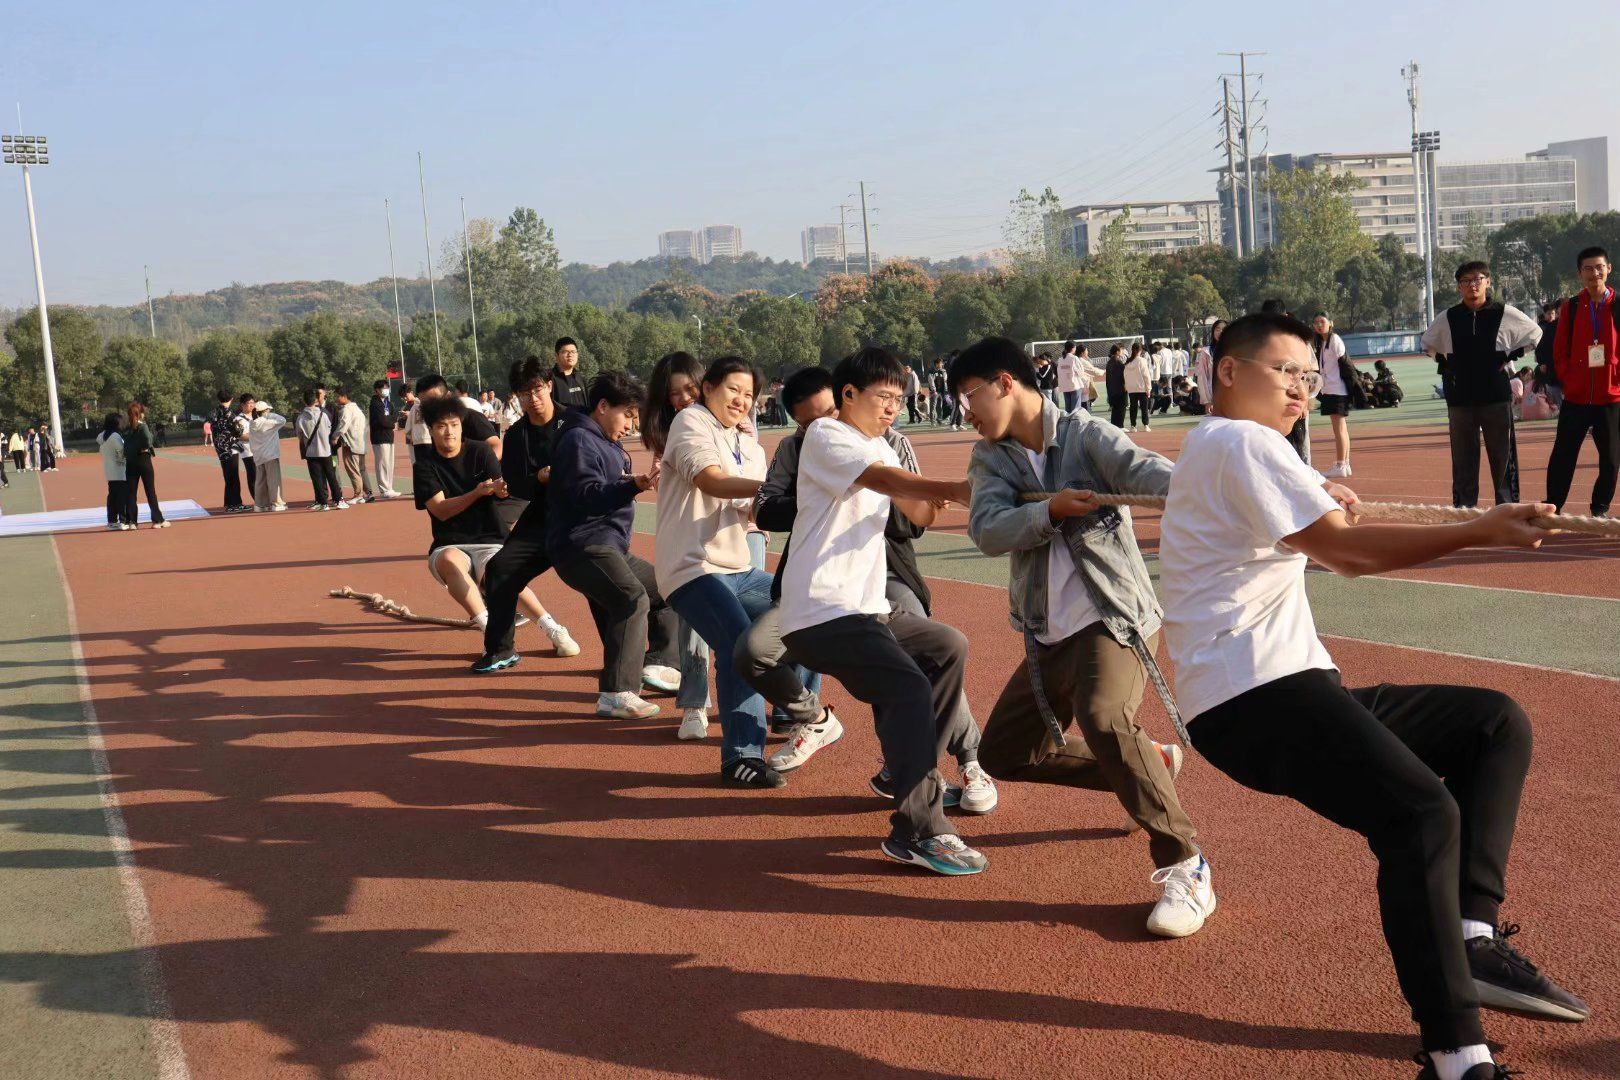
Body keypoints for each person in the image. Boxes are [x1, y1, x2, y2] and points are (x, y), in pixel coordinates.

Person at [1160, 310, 1587, 1080]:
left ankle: (1470, 937)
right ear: (1228, 370)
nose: (1300, 389)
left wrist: (1318, 497)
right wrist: (1482, 529)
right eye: (1283, 372)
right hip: (1253, 695)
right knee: (1420, 816)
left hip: (1276, 687)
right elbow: (1346, 553)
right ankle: (1457, 1057)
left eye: (1307, 375)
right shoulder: (1243, 442)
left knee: (1493, 724)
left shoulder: (1222, 445)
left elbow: (1307, 531)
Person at [953, 336, 1210, 935]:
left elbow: (1154, 476)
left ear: (1005, 383)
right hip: (1046, 630)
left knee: (1102, 716)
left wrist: (1260, 494)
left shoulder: (1086, 436)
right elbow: (988, 531)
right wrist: (1050, 511)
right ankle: (1149, 764)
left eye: (970, 396)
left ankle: (1186, 864)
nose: (966, 412)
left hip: (1111, 617)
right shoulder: (991, 459)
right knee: (1004, 755)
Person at [777, 346, 988, 876]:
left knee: (947, 647)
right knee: (908, 687)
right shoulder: (826, 435)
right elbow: (886, 482)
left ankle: (904, 771)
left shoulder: (880, 447)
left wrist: (945, 495)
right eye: (884, 397)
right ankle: (919, 829)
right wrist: (949, 488)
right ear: (848, 394)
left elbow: (914, 512)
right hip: (822, 609)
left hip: (868, 608)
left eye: (900, 398)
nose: (894, 407)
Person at [656, 357, 829, 787]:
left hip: (738, 568)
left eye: (749, 395)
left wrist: (811, 503)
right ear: (708, 388)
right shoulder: (690, 422)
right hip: (691, 567)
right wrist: (782, 489)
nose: (741, 400)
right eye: (733, 389)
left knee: (806, 612)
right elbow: (712, 481)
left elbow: (758, 509)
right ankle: (741, 757)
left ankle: (791, 713)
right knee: (739, 645)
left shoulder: (749, 444)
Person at [548, 371, 681, 720]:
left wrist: (632, 481)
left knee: (669, 589)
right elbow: (585, 495)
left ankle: (659, 664)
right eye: (628, 415)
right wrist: (632, 485)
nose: (630, 425)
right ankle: (616, 693)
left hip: (609, 546)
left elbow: (604, 485)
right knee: (632, 599)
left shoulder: (605, 442)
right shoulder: (579, 439)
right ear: (603, 406)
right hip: (583, 546)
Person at [412, 395, 560, 642]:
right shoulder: (424, 465)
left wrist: (503, 490)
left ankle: (553, 629)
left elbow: (502, 488)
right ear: (430, 429)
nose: (449, 432)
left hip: (490, 538)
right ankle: (489, 630)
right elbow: (440, 510)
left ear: (462, 425)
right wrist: (476, 493)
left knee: (498, 573)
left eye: (454, 425)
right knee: (449, 560)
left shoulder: (480, 451)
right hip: (449, 543)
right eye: (441, 426)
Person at [472, 357, 581, 673]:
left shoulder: (575, 421)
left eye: (537, 389)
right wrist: (539, 479)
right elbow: (516, 483)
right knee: (499, 569)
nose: (532, 399)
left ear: (549, 385)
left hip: (582, 518)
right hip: (542, 517)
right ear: (516, 396)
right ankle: (500, 649)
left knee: (602, 582)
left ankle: (622, 663)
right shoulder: (517, 434)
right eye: (524, 393)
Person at [1423, 261, 1541, 508]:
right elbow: (1427, 344)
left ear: (1488, 282)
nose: (1472, 285)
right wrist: (1446, 363)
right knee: (1463, 459)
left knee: (1503, 458)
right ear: (1459, 287)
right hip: (1460, 398)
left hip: (1495, 396)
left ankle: (1507, 508)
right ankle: (1464, 511)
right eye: (1465, 281)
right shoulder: (1449, 317)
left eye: (1477, 279)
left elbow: (1535, 334)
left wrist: (1511, 355)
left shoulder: (1503, 312)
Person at [642, 351, 717, 736]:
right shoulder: (670, 434)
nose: (685, 398)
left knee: (761, 617)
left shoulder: (732, 422)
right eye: (675, 393)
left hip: (738, 530)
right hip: (691, 533)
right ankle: (694, 704)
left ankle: (774, 700)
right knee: (694, 618)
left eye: (691, 388)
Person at [1545, 246, 1618, 518]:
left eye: (1599, 267)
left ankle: (1600, 509)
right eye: (1588, 268)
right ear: (1580, 273)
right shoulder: (1572, 306)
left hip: (1610, 397)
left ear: (1608, 269)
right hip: (1576, 396)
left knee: (1611, 459)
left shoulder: (1618, 304)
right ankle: (1553, 506)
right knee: (1563, 455)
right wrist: (1569, 376)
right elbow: (1559, 349)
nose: (1594, 273)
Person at [1312, 313, 1359, 478]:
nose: (1319, 325)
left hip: (1337, 389)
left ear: (1330, 323)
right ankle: (1345, 464)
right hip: (1330, 389)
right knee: (1341, 429)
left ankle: (1340, 464)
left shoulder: (1334, 339)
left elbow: (1346, 363)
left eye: (1322, 321)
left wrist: (1353, 386)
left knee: (1339, 430)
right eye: (1316, 322)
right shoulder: (1321, 342)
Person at [296, 387, 347, 511]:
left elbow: (300, 435)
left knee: (317, 478)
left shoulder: (301, 418)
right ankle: (338, 500)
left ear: (304, 401)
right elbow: (329, 429)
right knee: (331, 476)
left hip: (311, 452)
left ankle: (323, 503)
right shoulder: (324, 414)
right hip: (325, 450)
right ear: (316, 400)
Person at [123, 402, 167, 529]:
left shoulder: (126, 429)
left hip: (130, 461)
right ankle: (157, 520)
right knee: (150, 491)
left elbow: (124, 445)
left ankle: (131, 522)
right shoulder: (142, 426)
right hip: (143, 460)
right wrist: (143, 447)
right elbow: (148, 440)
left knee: (131, 492)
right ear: (140, 414)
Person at [332, 388, 374, 505]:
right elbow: (366, 425)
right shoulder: (357, 409)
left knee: (353, 470)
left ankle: (358, 495)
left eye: (337, 396)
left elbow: (343, 424)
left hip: (350, 444)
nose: (336, 399)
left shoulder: (347, 409)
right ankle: (368, 493)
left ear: (344, 396)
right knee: (361, 469)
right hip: (360, 443)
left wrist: (335, 437)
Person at [247, 401, 288, 511]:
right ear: (264, 411)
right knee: (274, 479)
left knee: (260, 481)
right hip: (270, 455)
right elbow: (283, 420)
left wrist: (265, 414)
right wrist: (269, 414)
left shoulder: (252, 423)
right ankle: (276, 503)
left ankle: (260, 504)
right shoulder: (268, 422)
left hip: (258, 456)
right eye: (268, 410)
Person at [210, 391, 246, 513]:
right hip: (230, 447)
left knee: (228, 476)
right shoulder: (230, 413)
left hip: (220, 447)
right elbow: (238, 431)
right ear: (231, 398)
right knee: (233, 476)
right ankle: (234, 504)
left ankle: (231, 503)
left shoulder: (215, 412)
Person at [96, 413, 134, 531]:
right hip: (120, 471)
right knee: (122, 496)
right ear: (116, 423)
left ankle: (112, 521)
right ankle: (122, 520)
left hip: (109, 470)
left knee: (112, 496)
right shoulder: (115, 436)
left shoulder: (102, 436)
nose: (122, 423)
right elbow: (121, 452)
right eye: (120, 421)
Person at [368, 380, 402, 499]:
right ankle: (384, 490)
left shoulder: (388, 403)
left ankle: (389, 487)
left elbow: (395, 416)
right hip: (379, 438)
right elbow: (382, 421)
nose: (386, 390)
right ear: (377, 390)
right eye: (383, 388)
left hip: (389, 437)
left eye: (387, 387)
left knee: (389, 464)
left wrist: (390, 420)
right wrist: (392, 423)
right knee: (382, 464)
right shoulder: (375, 404)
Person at [550, 337, 589, 411]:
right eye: (565, 352)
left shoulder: (580, 378)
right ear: (557, 356)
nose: (570, 355)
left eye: (573, 352)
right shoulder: (550, 379)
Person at [1123, 342, 1153, 433]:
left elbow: (1125, 376)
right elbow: (1146, 375)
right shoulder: (1142, 360)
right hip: (1142, 387)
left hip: (1131, 389)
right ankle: (1146, 425)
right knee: (1144, 408)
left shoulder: (1128, 362)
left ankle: (1133, 426)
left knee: (1133, 408)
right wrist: (1148, 388)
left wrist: (1127, 386)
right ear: (1140, 350)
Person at [233, 393, 258, 501]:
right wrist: (257, 437)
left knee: (262, 476)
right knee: (253, 475)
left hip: (260, 450)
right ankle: (257, 500)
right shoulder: (238, 419)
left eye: (253, 402)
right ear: (242, 405)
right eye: (249, 403)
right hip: (248, 452)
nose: (252, 405)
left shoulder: (257, 416)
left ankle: (264, 498)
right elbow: (240, 436)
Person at [1105, 344, 1129, 428]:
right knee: (1121, 407)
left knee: (1115, 409)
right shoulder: (1118, 362)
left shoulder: (1109, 362)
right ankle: (1120, 426)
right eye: (1121, 350)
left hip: (1112, 389)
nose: (1122, 352)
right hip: (1120, 388)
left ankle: (1115, 426)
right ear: (1117, 352)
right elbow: (1123, 375)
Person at [928, 358, 950, 425]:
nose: (941, 364)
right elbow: (931, 381)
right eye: (940, 363)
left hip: (942, 392)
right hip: (934, 392)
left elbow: (945, 381)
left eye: (941, 363)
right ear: (936, 364)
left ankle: (939, 420)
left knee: (940, 407)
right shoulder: (932, 372)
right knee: (933, 407)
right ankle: (932, 421)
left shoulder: (944, 371)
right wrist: (934, 390)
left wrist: (946, 390)